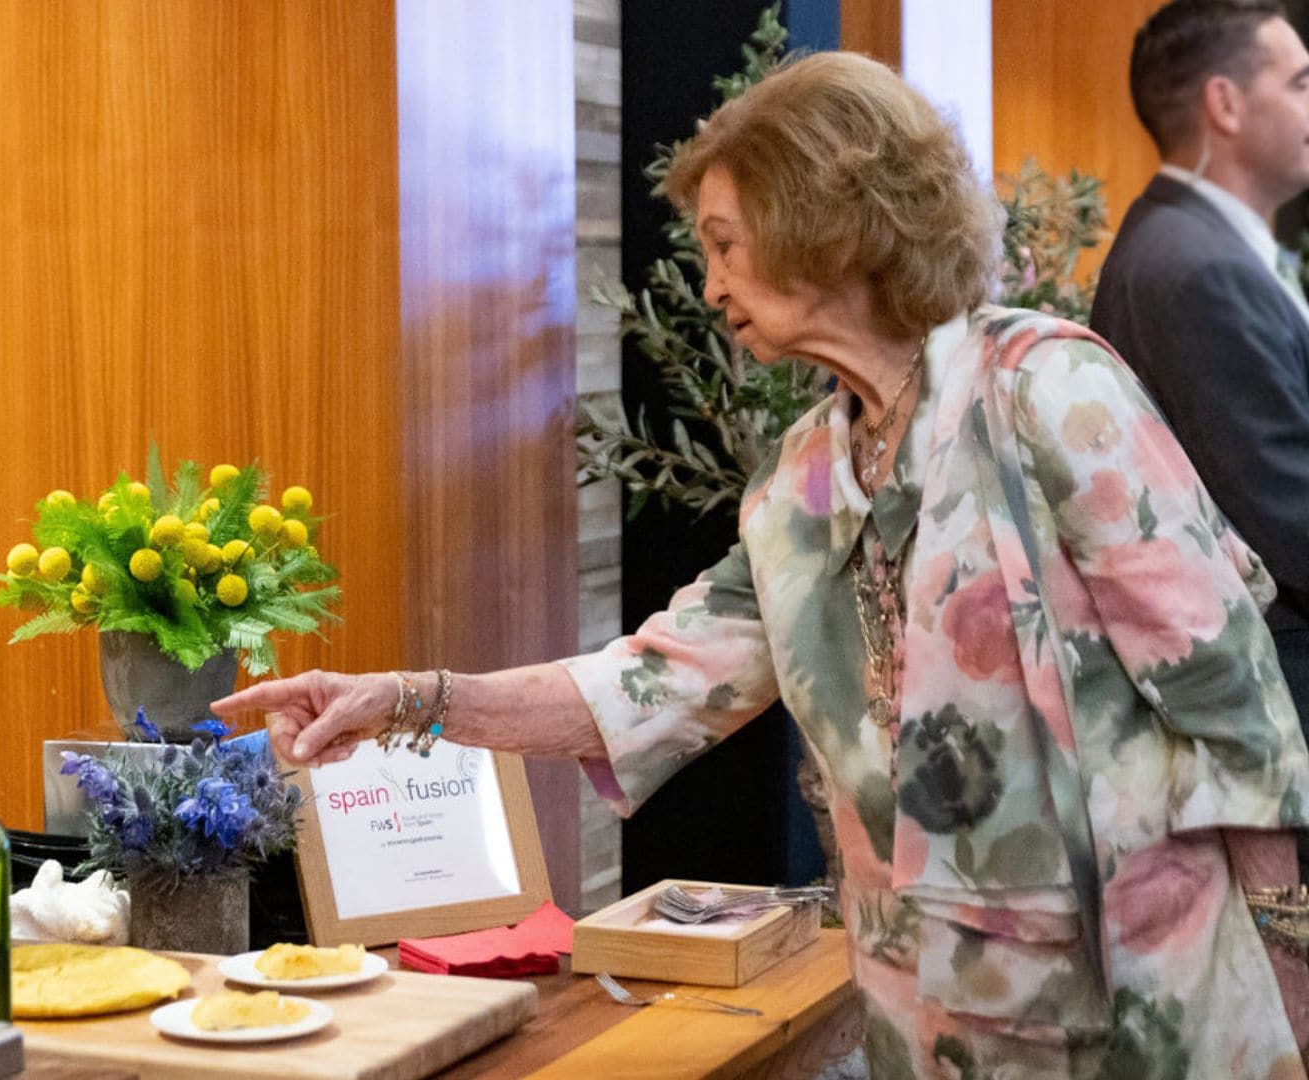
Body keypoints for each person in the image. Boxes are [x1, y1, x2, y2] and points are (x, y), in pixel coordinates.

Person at [216, 52, 1309, 1078]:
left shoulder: (1046, 390)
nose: (708, 282)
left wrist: (1294, 974)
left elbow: (1233, 700)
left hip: (1148, 1011)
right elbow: (647, 685)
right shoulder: (802, 483)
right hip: (929, 1020)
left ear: (826, 222)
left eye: (726, 243)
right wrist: (403, 702)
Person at [1092, 0, 1309, 813]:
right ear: (1225, 103)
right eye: (1301, 83)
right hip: (1272, 708)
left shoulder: (1196, 247)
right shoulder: (1196, 269)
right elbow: (1286, 512)